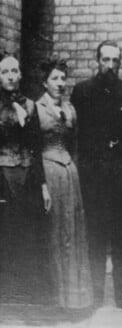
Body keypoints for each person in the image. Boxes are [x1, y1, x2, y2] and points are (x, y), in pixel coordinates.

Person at [70, 40, 122, 308]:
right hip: (92, 178)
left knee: (121, 235)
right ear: (97, 61)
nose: (110, 66)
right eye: (105, 60)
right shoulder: (82, 91)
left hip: (120, 178)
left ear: (120, 63)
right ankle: (95, 295)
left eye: (115, 61)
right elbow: (77, 135)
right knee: (94, 236)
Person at [36, 55, 93, 310]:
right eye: (54, 78)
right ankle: (53, 300)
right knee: (54, 230)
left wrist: (74, 169)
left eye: (63, 78)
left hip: (70, 174)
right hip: (48, 172)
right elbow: (34, 147)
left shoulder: (71, 110)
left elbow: (76, 145)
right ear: (44, 82)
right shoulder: (36, 109)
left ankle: (74, 300)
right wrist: (41, 184)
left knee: (72, 231)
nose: (60, 83)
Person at [0, 52, 52, 303]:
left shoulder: (30, 106)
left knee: (27, 235)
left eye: (14, 71)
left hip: (28, 175)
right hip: (2, 177)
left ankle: (25, 297)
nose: (10, 77)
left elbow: (36, 146)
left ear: (20, 75)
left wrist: (43, 185)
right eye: (4, 72)